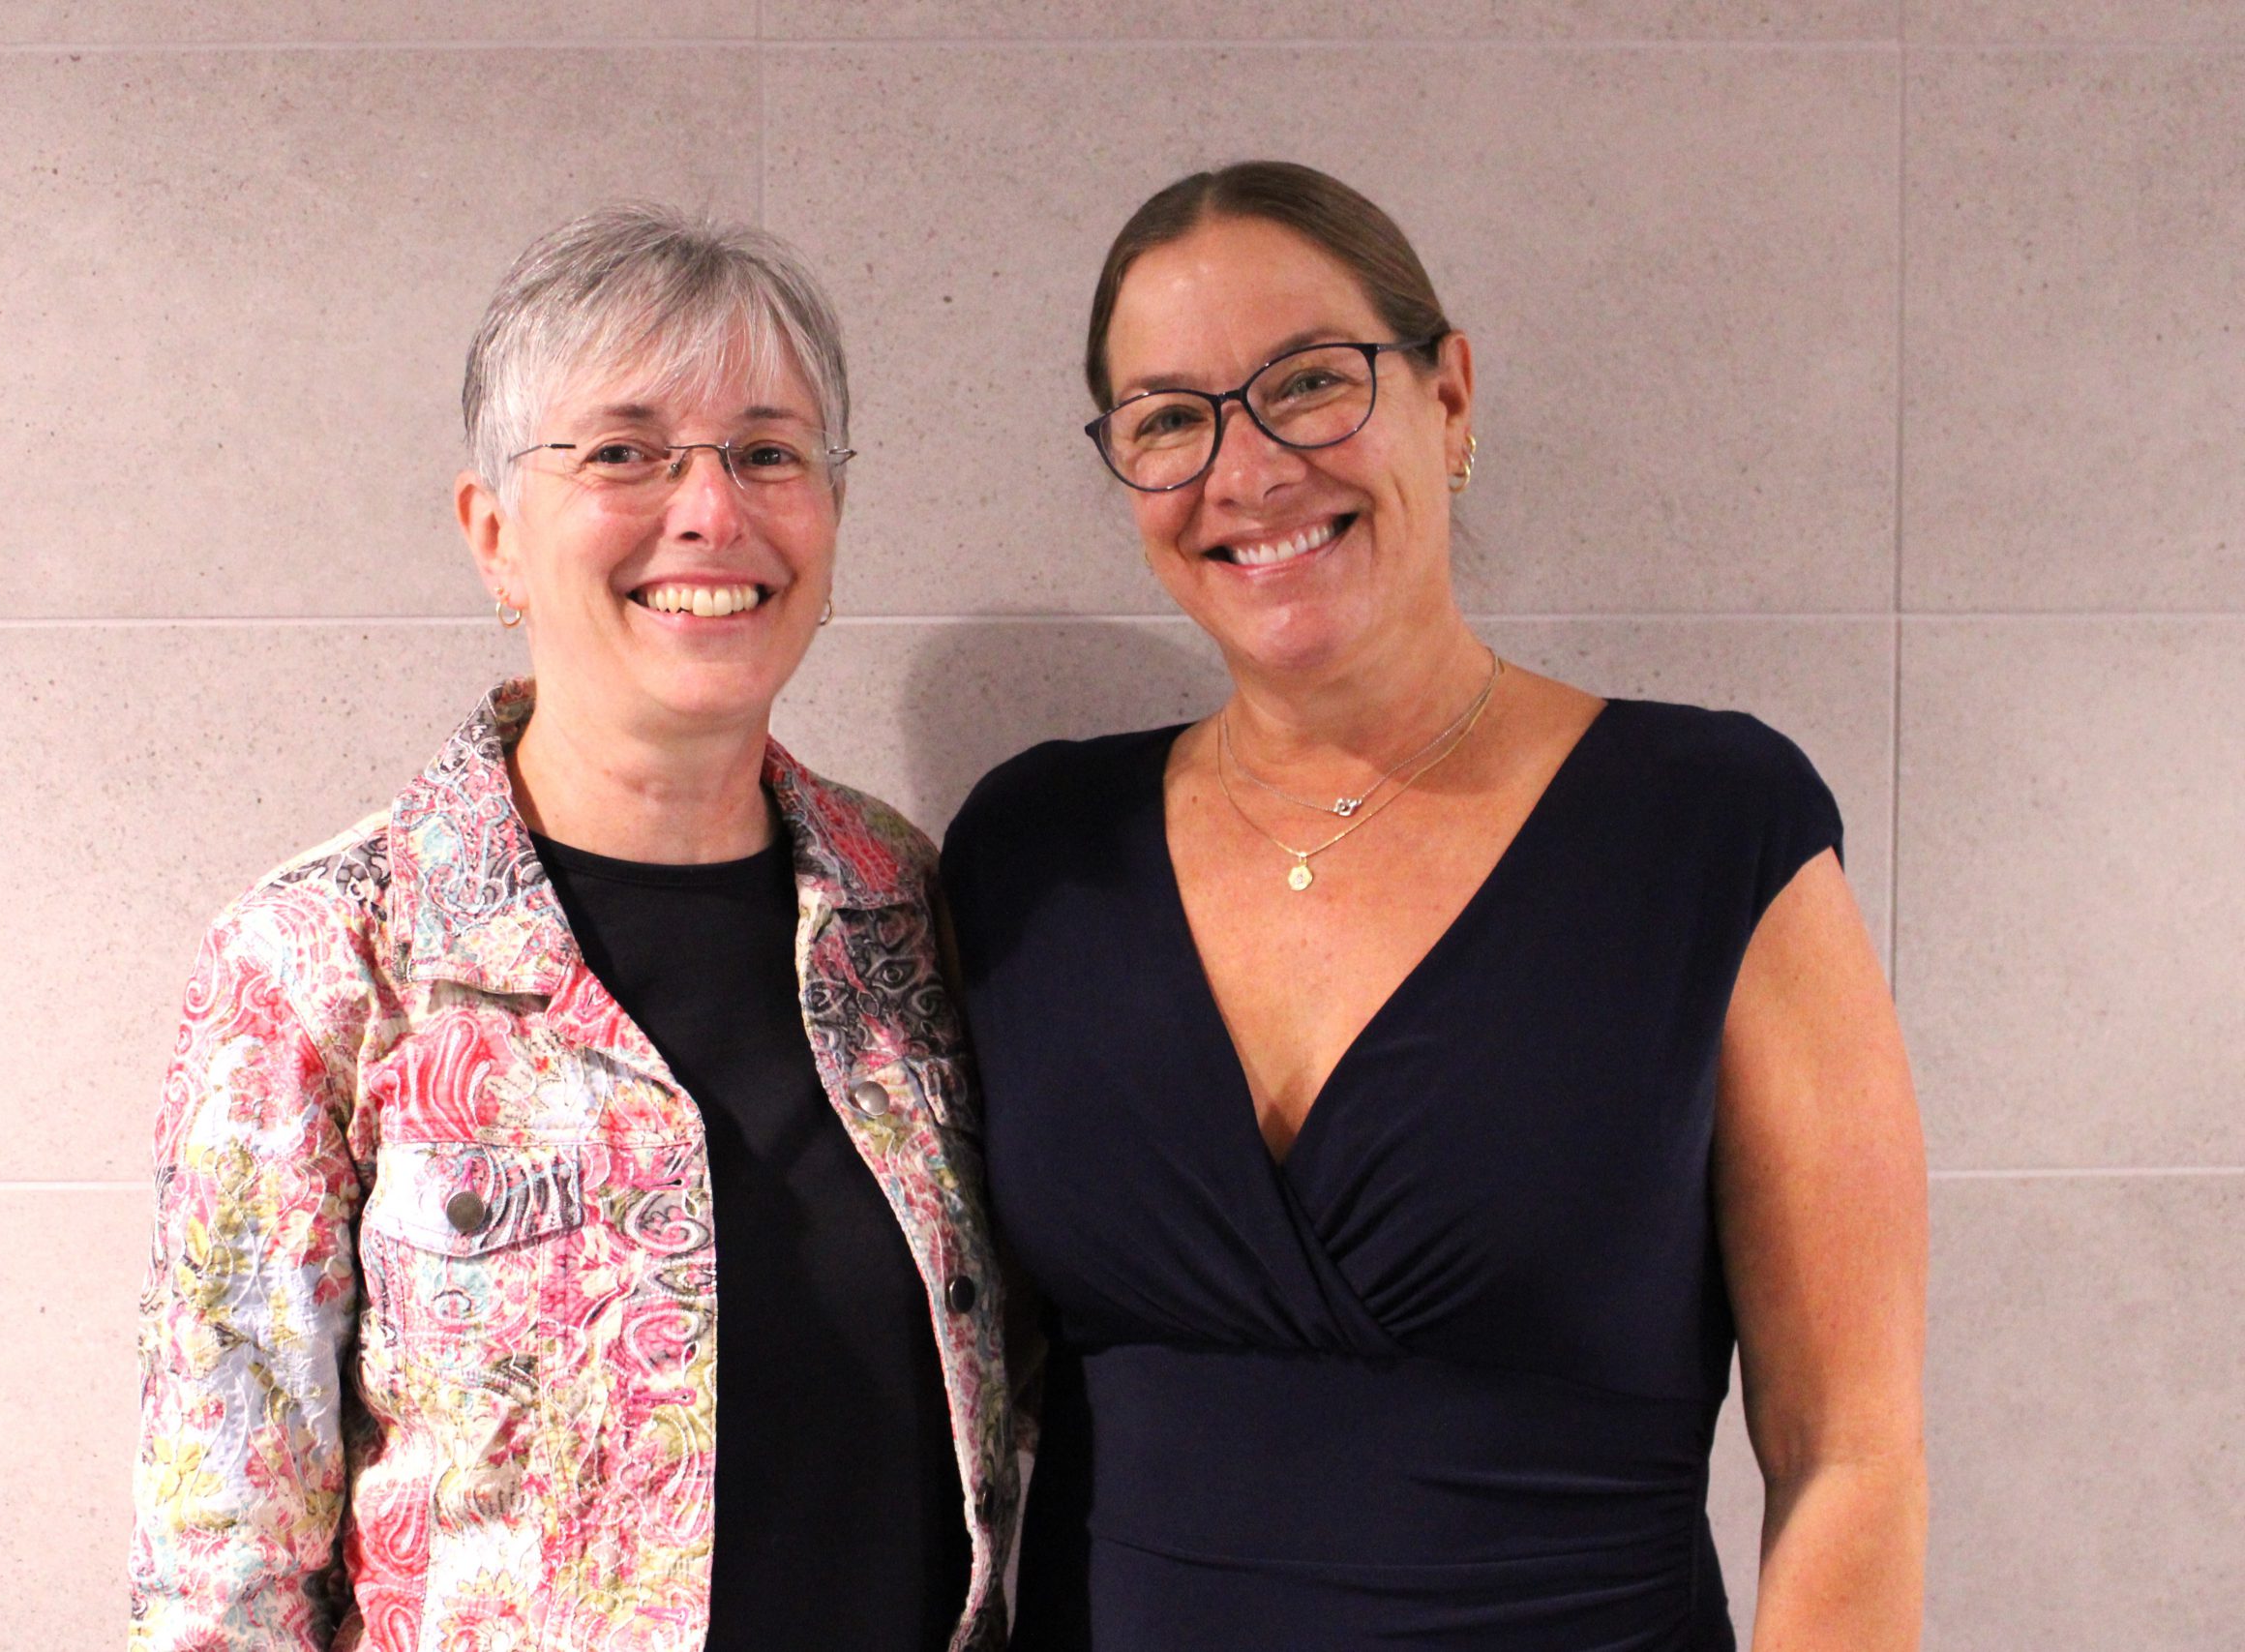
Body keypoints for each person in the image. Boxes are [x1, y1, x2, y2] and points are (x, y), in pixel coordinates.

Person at [942, 162, 1928, 1650]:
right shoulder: (1034, 851)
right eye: (1169, 420)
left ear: (1449, 399)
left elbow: (1851, 1452)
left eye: (1313, 384)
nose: (1251, 469)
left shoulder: (1710, 824)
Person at [129, 203, 1016, 1652]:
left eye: (769, 452)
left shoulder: (900, 912)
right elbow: (218, 1575)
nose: (711, 510)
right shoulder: (322, 964)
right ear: (495, 535)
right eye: (625, 453)